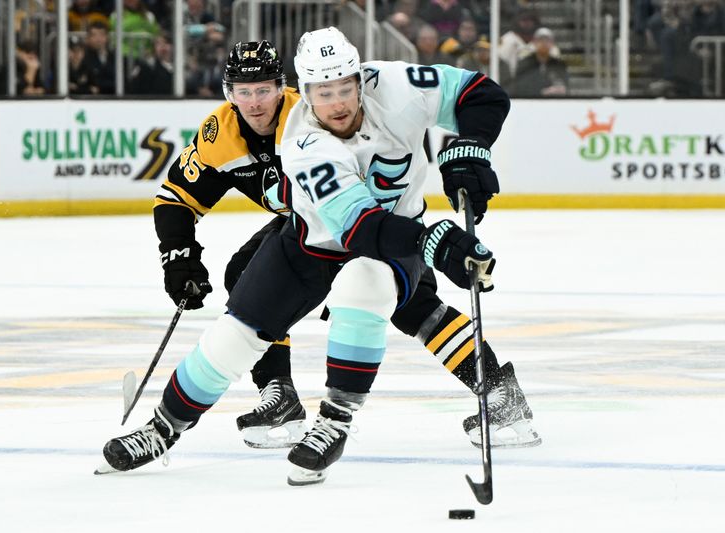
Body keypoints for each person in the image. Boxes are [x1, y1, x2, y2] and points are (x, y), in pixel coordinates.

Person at [100, 28, 540, 484]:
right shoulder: (303, 141)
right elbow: (360, 228)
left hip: (390, 241)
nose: (337, 104)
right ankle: (164, 426)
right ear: (305, 93)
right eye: (323, 93)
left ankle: (334, 419)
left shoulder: (396, 83)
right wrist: (434, 241)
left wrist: (468, 151)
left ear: (359, 77)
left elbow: (481, 94)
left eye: (345, 87)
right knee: (236, 331)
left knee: (367, 288)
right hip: (317, 239)